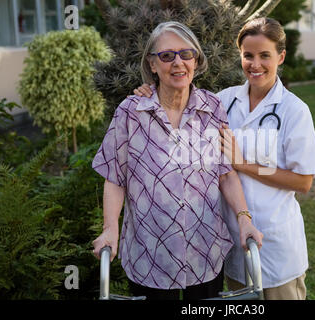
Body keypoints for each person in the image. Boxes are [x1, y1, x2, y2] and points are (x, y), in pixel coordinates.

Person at [134, 17, 315, 300]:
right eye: (248, 56)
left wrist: (243, 164)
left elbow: (303, 181)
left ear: (281, 57)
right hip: (231, 245)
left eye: (264, 56)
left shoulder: (294, 111)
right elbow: (179, 102)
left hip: (276, 246)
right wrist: (150, 91)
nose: (255, 64)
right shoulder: (224, 100)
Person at [92, 21, 263, 301]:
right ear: (153, 64)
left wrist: (244, 219)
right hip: (150, 254)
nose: (178, 63)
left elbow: (225, 173)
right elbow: (114, 177)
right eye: (167, 56)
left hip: (205, 250)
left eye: (186, 54)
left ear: (196, 60)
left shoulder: (212, 107)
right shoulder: (131, 112)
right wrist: (110, 228)